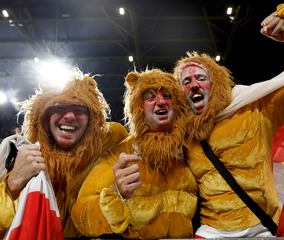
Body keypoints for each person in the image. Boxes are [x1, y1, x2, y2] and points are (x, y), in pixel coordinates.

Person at [173, 4, 284, 238]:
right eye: (186, 82)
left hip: (263, 229)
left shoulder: (253, 109)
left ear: (216, 85)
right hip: (211, 232)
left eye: (201, 78)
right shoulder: (181, 134)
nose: (193, 84)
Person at [0, 74, 128, 239]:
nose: (70, 116)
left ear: (92, 118)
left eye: (79, 109)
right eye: (59, 107)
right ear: (43, 115)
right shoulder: (8, 156)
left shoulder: (109, 146)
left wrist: (116, 194)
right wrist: (12, 184)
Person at [71, 69, 198, 239]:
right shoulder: (122, 155)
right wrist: (116, 193)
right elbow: (80, 214)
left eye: (167, 96)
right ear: (139, 106)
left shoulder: (190, 149)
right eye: (150, 97)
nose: (160, 102)